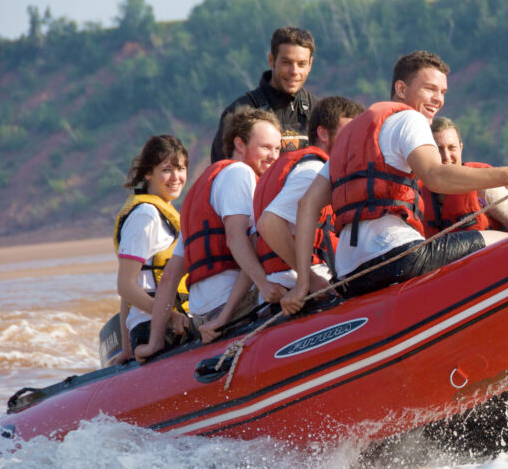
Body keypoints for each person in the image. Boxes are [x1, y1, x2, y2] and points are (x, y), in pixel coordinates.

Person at [279, 50, 508, 313]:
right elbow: (436, 175)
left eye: (443, 92)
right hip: (398, 256)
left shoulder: (347, 142)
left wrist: (304, 282)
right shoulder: (410, 119)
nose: (438, 99)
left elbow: (307, 205)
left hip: (351, 275)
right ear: (401, 88)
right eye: (430, 89)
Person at [195, 97, 363, 340]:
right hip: (298, 293)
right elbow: (266, 225)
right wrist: (308, 280)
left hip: (274, 293)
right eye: (349, 132)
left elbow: (254, 247)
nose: (355, 141)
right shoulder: (312, 171)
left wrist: (225, 315)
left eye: (276, 148)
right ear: (323, 134)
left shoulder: (277, 177)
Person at [139, 107, 286, 360]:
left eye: (277, 149)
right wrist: (263, 284)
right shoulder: (240, 174)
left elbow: (170, 276)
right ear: (239, 144)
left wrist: (154, 343)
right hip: (237, 308)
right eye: (265, 148)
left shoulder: (200, 191)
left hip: (203, 315)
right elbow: (237, 239)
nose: (273, 156)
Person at [111, 135, 190, 364]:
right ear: (148, 173)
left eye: (181, 168)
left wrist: (126, 351)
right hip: (156, 328)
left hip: (164, 323)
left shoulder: (162, 213)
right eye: (166, 170)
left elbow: (132, 289)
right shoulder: (145, 215)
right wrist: (170, 315)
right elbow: (125, 285)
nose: (176, 177)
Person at [210, 27, 319, 163]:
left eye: (301, 64)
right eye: (286, 63)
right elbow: (221, 172)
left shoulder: (318, 111)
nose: (294, 71)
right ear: (271, 60)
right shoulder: (239, 113)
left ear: (310, 64)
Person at [423, 116, 508, 237]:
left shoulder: (486, 187)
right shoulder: (416, 196)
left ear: (461, 148)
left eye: (451, 148)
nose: (446, 156)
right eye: (438, 149)